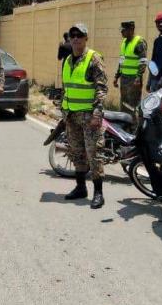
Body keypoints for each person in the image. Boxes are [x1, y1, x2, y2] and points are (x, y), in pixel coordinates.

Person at [61, 24, 108, 209]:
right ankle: (81, 187)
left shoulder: (93, 58)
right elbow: (67, 88)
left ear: (86, 38)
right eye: (72, 35)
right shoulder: (67, 60)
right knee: (77, 153)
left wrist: (97, 112)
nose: (75, 38)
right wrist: (63, 110)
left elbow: (101, 88)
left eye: (79, 35)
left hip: (90, 117)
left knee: (94, 153)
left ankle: (98, 193)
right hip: (71, 115)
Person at [113, 20, 146, 114]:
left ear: (131, 29)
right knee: (124, 104)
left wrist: (138, 77)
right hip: (124, 78)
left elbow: (143, 62)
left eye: (124, 30)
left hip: (134, 80)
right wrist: (116, 76)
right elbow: (122, 61)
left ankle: (134, 127)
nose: (121, 32)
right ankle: (124, 126)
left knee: (133, 105)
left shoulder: (139, 42)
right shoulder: (124, 42)